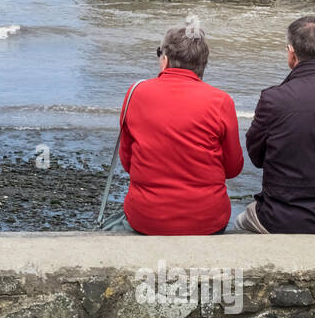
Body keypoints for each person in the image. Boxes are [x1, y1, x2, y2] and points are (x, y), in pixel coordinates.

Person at [104, 23, 243, 235]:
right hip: (208, 220)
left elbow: (128, 162)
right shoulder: (221, 101)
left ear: (165, 59)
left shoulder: (136, 93)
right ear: (202, 64)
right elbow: (233, 168)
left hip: (147, 218)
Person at [236, 15, 315, 235]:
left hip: (281, 218)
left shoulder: (273, 100)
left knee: (239, 223)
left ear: (291, 52)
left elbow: (256, 158)